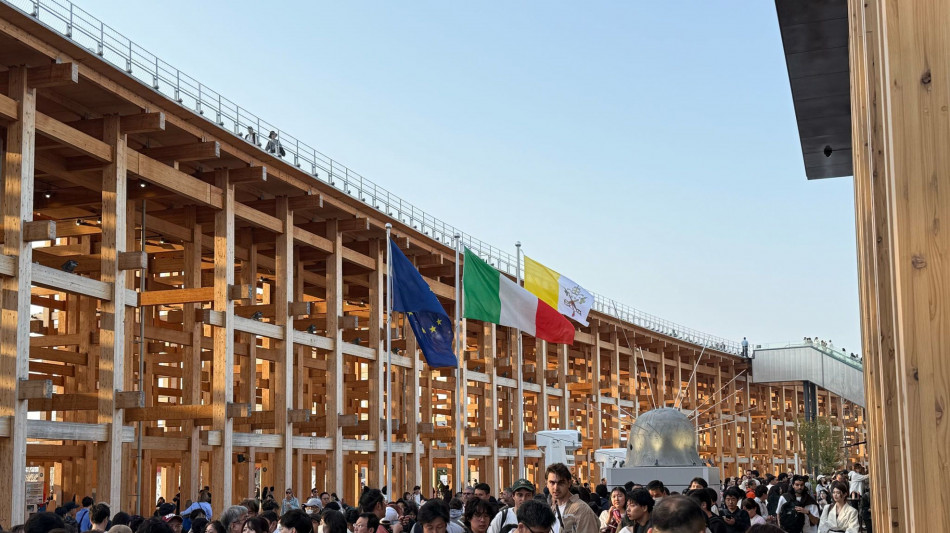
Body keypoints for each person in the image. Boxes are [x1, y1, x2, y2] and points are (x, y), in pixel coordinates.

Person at [546, 463, 599, 533]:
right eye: (552, 483)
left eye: (561, 483)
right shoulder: (553, 508)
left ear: (569, 483)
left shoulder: (582, 510)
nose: (556, 488)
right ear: (547, 484)